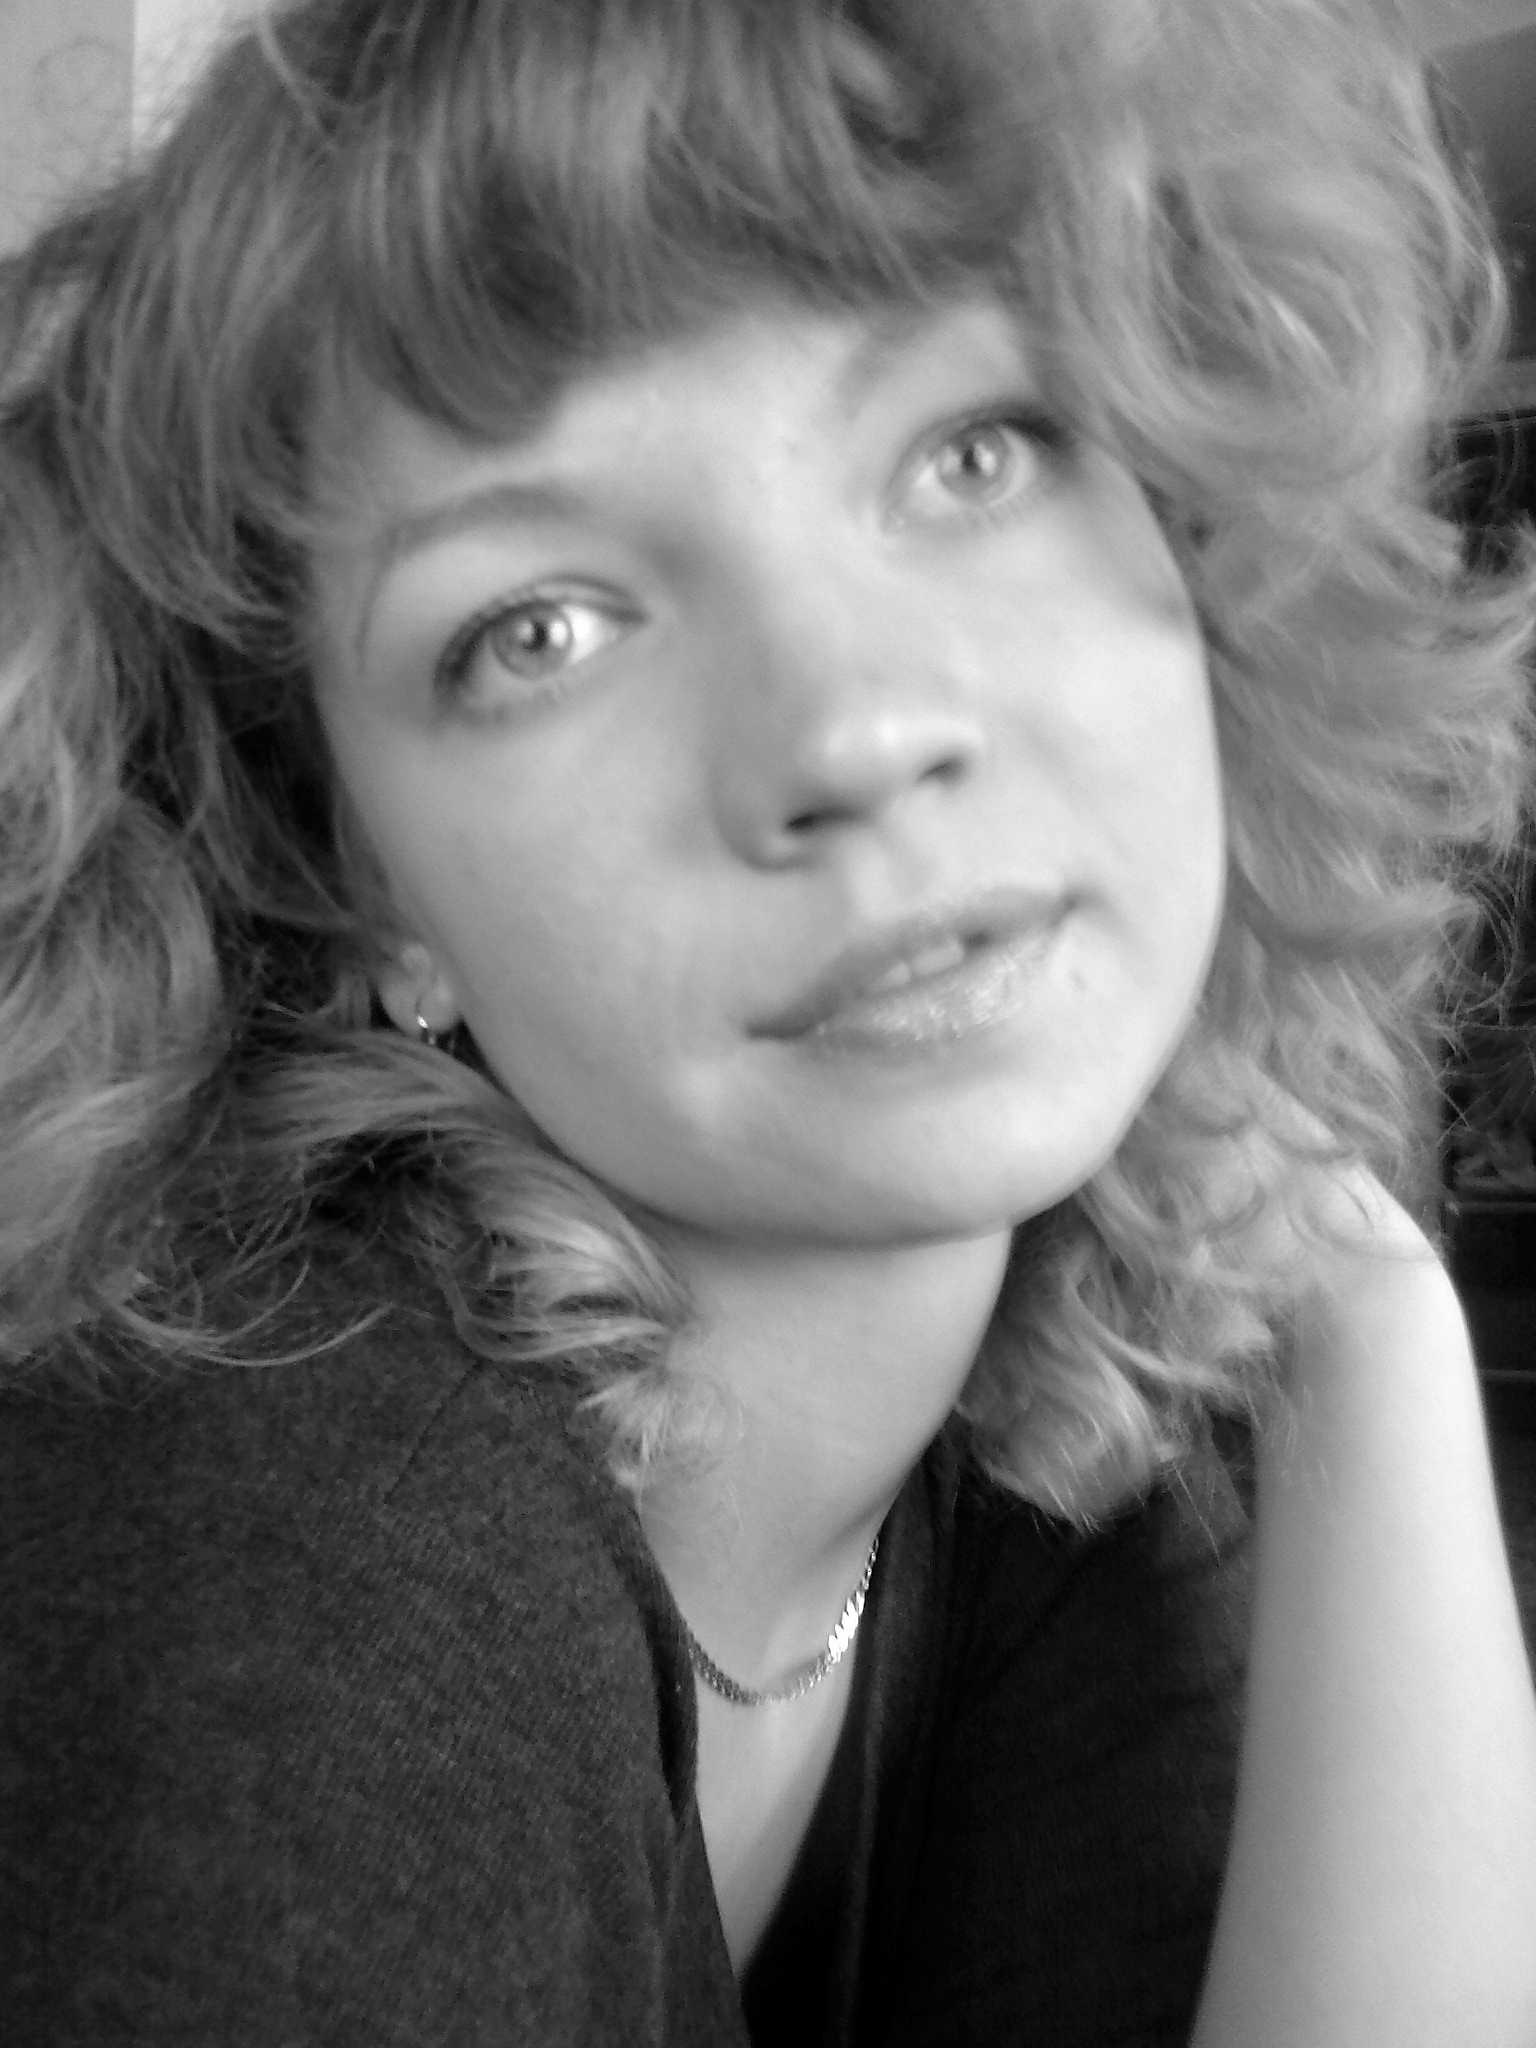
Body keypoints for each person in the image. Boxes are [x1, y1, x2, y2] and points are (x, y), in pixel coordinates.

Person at [3, 0, 1535, 2040]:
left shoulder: (1055, 1436)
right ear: (362, 890)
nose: (853, 728)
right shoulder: (276, 1581)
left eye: (972, 454)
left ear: (1199, 539)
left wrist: (1370, 1319)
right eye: (541, 627)